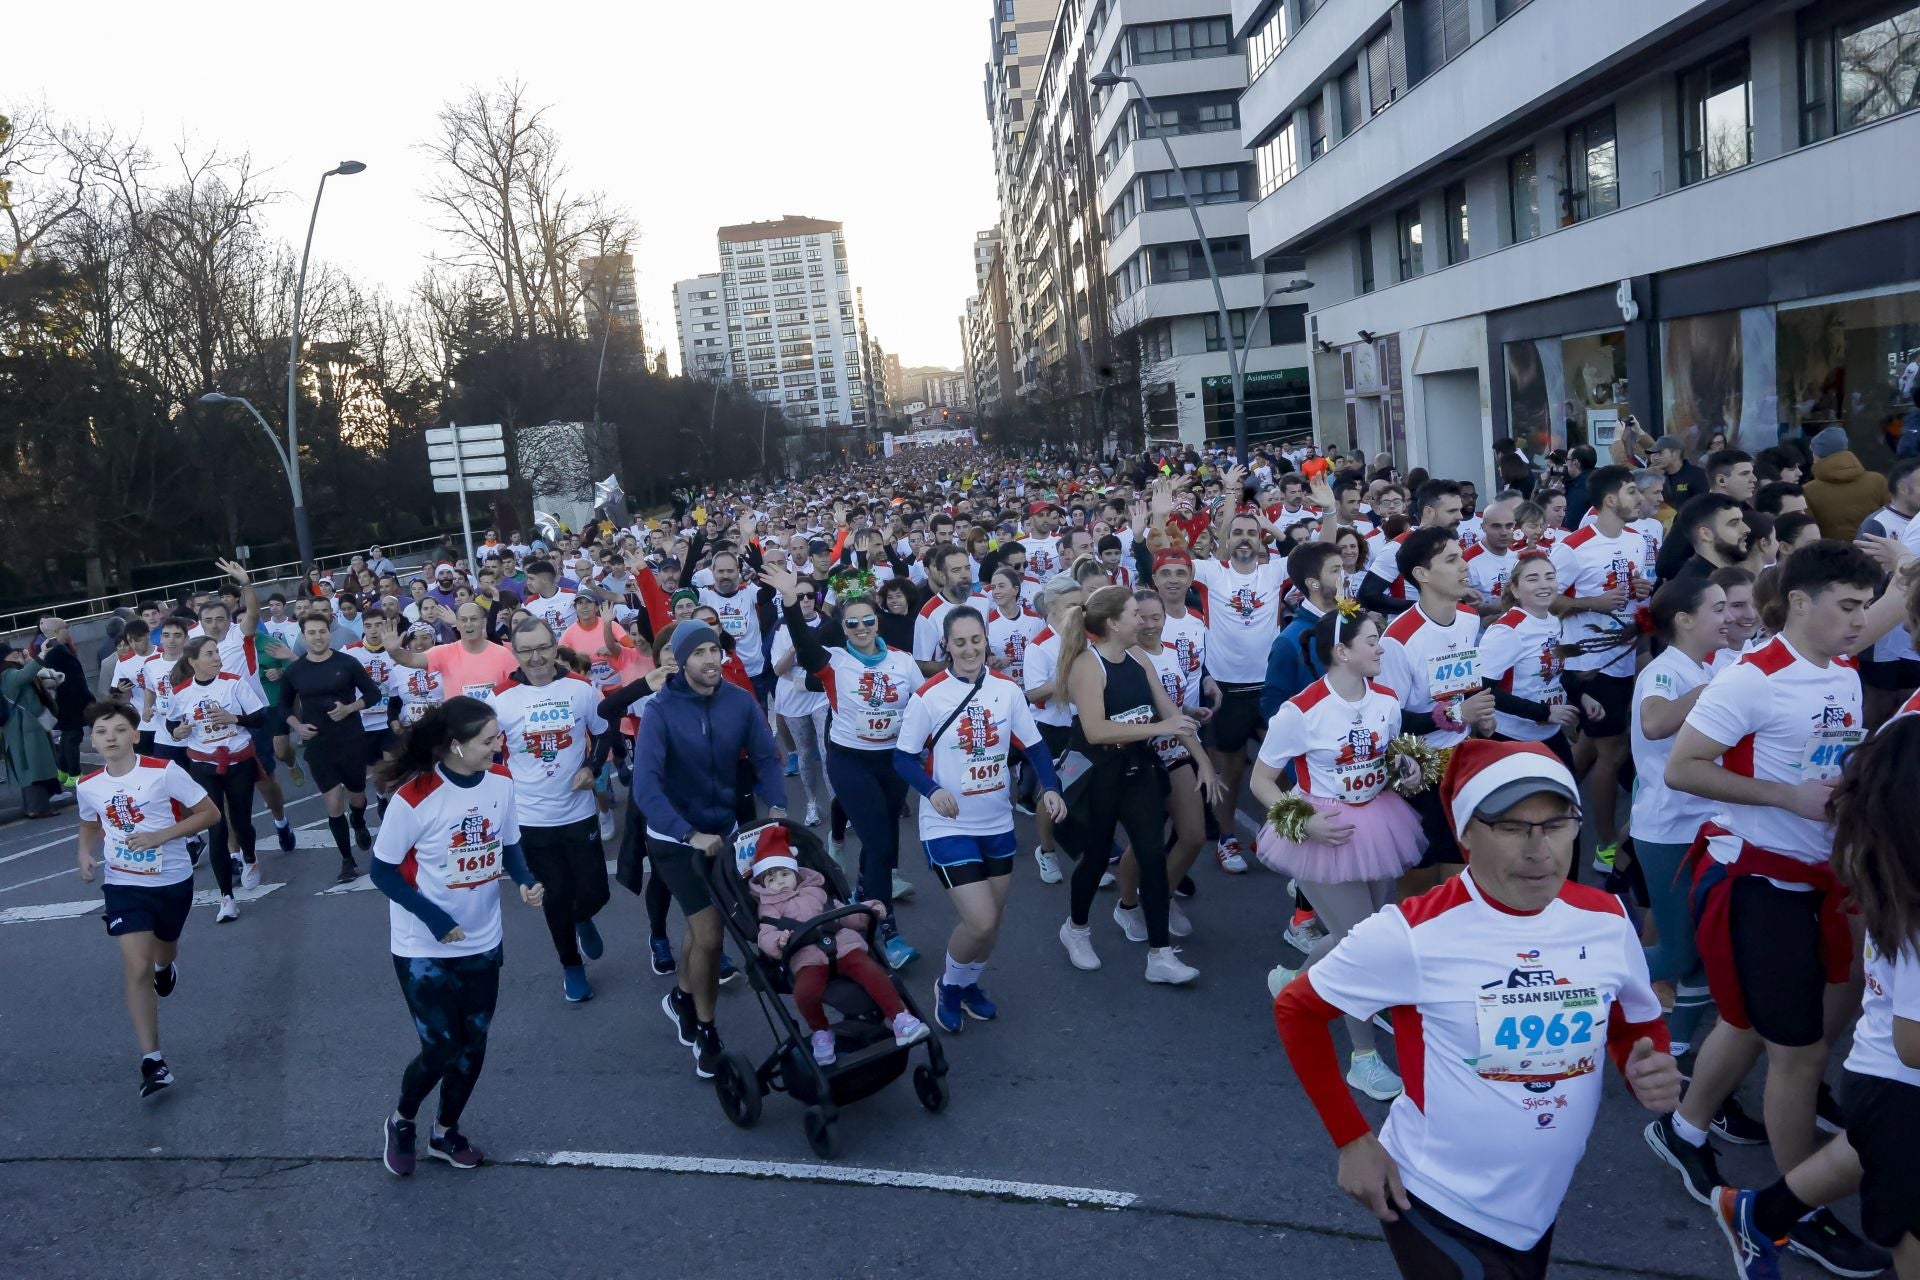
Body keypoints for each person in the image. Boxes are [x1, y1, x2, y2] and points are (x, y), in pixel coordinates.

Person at [1273, 739, 1681, 1280]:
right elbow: (1297, 1009)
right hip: (1434, 1195)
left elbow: (1633, 1019)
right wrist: (1352, 1139)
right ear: (1466, 832)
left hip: (1539, 1201)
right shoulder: (1413, 933)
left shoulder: (1605, 917)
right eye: (1513, 828)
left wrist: (1642, 1065)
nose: (1541, 850)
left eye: (1558, 824)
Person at [1647, 541, 1888, 1275]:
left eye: (1865, 609)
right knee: (1801, 1053)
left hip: (1823, 879)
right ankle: (1794, 1211)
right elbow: (1685, 766)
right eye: (1848, 608)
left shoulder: (1842, 671)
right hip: (1759, 883)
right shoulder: (1752, 678)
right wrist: (1785, 798)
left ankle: (1684, 1129)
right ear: (1804, 601)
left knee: (1754, 1022)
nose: (1859, 623)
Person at [1712, 714, 1920, 1280]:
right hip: (1901, 1084)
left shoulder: (1894, 870)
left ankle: (1759, 1213)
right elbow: (1913, 1043)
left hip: (1884, 1085)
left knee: (1867, 1147)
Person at [1252, 605, 1426, 1101]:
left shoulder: (1388, 700)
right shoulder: (1301, 710)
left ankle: (1296, 982)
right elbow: (1260, 780)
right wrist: (1301, 821)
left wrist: (1406, 770)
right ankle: (1363, 1059)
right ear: (1342, 652)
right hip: (1322, 832)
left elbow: (1388, 757)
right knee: (1362, 945)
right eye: (1373, 640)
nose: (1382, 647)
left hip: (1377, 823)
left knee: (1361, 931)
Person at [370, 696, 546, 1176]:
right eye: (488, 740)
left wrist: (527, 880)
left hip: (483, 939)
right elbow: (382, 872)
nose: (498, 746)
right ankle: (402, 1119)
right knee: (441, 1046)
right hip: (421, 945)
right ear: (455, 745)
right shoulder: (414, 797)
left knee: (474, 1043)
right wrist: (434, 918)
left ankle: (445, 1132)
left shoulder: (502, 782)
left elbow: (508, 846)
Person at [894, 606, 1065, 1033]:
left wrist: (1051, 787)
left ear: (986, 641)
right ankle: (949, 986)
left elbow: (1036, 746)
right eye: (960, 642)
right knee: (981, 920)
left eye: (976, 640)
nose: (970, 649)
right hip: (947, 824)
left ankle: (968, 985)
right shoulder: (928, 696)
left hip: (996, 821)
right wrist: (933, 790)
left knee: (992, 922)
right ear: (946, 646)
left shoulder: (1007, 689)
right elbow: (903, 759)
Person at [635, 621, 788, 1079]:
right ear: (680, 662)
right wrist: (687, 834)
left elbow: (764, 757)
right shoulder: (660, 711)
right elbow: (646, 788)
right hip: (673, 839)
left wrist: (777, 804)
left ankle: (682, 996)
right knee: (711, 934)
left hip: (726, 830)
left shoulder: (740, 701)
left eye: (715, 650)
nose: (710, 660)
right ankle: (706, 1029)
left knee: (704, 930)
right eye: (698, 652)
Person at [760, 564, 925, 970]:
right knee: (882, 842)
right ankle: (888, 931)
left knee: (879, 842)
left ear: (878, 620)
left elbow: (924, 709)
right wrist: (788, 602)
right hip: (850, 761)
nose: (862, 627)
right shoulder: (832, 661)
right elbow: (803, 642)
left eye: (869, 620)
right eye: (853, 623)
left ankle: (861, 899)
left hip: (893, 762)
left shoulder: (903, 662)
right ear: (843, 627)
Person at [1054, 585, 1212, 984]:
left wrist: (1203, 761)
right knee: (1094, 859)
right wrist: (1159, 728)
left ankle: (1160, 956)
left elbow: (1170, 712)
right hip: (1099, 774)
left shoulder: (1138, 657)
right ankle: (1076, 929)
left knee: (1152, 856)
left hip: (1138, 768)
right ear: (1112, 623)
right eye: (1133, 614)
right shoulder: (1088, 666)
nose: (1141, 620)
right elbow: (1094, 730)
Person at [74, 700, 222, 1097]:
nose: (111, 738)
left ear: (135, 735)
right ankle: (152, 1060)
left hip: (171, 880)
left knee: (164, 952)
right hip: (123, 884)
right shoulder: (87, 785)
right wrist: (85, 852)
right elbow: (90, 822)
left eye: (119, 730)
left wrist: (161, 836)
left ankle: (165, 968)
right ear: (93, 740)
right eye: (102, 732)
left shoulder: (163, 772)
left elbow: (209, 814)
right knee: (136, 966)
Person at [1627, 577, 1727, 1060]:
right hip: (1667, 831)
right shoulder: (1666, 671)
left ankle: (1680, 1045)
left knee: (1704, 946)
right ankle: (1572, 982)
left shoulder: (1703, 665)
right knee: (1678, 953)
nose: (1730, 617)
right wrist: (1717, 689)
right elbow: (1655, 721)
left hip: (1707, 827)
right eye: (1720, 608)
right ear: (1685, 621)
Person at [488, 616, 612, 1003]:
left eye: (543, 647)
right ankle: (571, 966)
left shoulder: (580, 689)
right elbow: (487, 753)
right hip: (531, 817)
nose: (536, 657)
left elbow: (605, 731)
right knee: (554, 895)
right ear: (514, 651)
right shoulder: (501, 697)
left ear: (556, 645)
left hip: (578, 810)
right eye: (526, 650)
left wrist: (593, 768)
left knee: (595, 892)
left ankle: (583, 915)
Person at [744, 826, 929, 1066]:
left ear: (796, 873)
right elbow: (765, 933)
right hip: (806, 956)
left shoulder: (816, 891)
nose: (779, 883)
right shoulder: (768, 908)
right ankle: (822, 1032)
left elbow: (841, 911)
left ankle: (900, 1019)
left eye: (784, 874)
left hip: (843, 945)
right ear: (763, 886)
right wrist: (777, 942)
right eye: (771, 879)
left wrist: (868, 910)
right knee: (805, 993)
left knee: (872, 971)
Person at [1550, 465, 1656, 871]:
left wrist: (1641, 593)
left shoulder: (1638, 538)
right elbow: (1545, 602)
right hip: (1588, 662)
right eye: (1632, 491)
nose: (1640, 498)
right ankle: (1606, 847)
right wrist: (1591, 603)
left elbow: (1636, 590)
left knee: (1595, 744)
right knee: (1613, 751)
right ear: (1610, 500)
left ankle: (1549, 798)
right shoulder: (1575, 546)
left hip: (1628, 655)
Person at [1379, 526, 1493, 880]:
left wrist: (1480, 716)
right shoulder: (1397, 640)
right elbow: (1390, 721)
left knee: (1462, 870)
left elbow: (1465, 682)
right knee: (1420, 881)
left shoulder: (1470, 618)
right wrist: (1460, 713)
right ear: (1422, 575)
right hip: (1416, 772)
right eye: (1452, 559)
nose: (1464, 565)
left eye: (1461, 556)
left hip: (1461, 759)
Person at [165, 636, 268, 920]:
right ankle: (226, 897)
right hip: (203, 764)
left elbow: (260, 718)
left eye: (217, 652)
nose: (216, 657)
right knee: (217, 827)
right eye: (209, 653)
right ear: (193, 661)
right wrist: (178, 733)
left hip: (238, 760)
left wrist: (235, 719)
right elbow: (172, 722)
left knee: (241, 820)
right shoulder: (182, 692)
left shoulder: (234, 683)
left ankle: (249, 857)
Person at [280, 613, 388, 881]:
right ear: (303, 637)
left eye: (322, 632)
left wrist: (350, 708)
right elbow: (282, 706)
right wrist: (297, 726)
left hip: (350, 738)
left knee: (357, 797)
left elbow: (373, 693)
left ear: (330, 633)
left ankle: (360, 820)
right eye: (312, 633)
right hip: (317, 742)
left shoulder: (347, 663)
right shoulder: (295, 670)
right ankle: (347, 860)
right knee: (332, 800)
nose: (318, 637)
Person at [1478, 551, 1588, 766]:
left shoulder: (1553, 621)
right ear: (1515, 589)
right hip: (1511, 737)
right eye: (1532, 579)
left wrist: (1582, 697)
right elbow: (1483, 689)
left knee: (1568, 796)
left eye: (1550, 577)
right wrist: (1544, 712)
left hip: (1550, 732)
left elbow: (1556, 672)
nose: (1544, 584)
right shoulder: (1507, 630)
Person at [767, 575, 832, 829]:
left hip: (820, 693)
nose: (805, 601)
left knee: (827, 752)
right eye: (799, 596)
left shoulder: (827, 625)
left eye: (809, 596)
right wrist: (795, 648)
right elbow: (777, 669)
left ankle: (839, 803)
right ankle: (811, 803)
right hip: (793, 696)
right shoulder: (782, 627)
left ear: (816, 598)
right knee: (805, 752)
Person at [1, 640, 61, 818]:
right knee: (35, 767)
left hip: (21, 726)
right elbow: (24, 676)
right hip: (25, 727)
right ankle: (38, 807)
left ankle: (34, 806)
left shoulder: (6, 673)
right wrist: (40, 655)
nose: (17, 654)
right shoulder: (8, 673)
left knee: (31, 768)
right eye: (13, 653)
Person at [1802, 424, 1889, 543]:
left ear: (1818, 456)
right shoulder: (1878, 480)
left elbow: (1809, 534)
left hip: (1833, 556)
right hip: (1876, 553)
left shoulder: (1808, 490)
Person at [1654, 434, 1710, 508]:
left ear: (1676, 453)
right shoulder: (1659, 478)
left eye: (1660, 453)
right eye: (1655, 453)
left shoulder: (1697, 475)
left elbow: (1705, 505)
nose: (1656, 457)